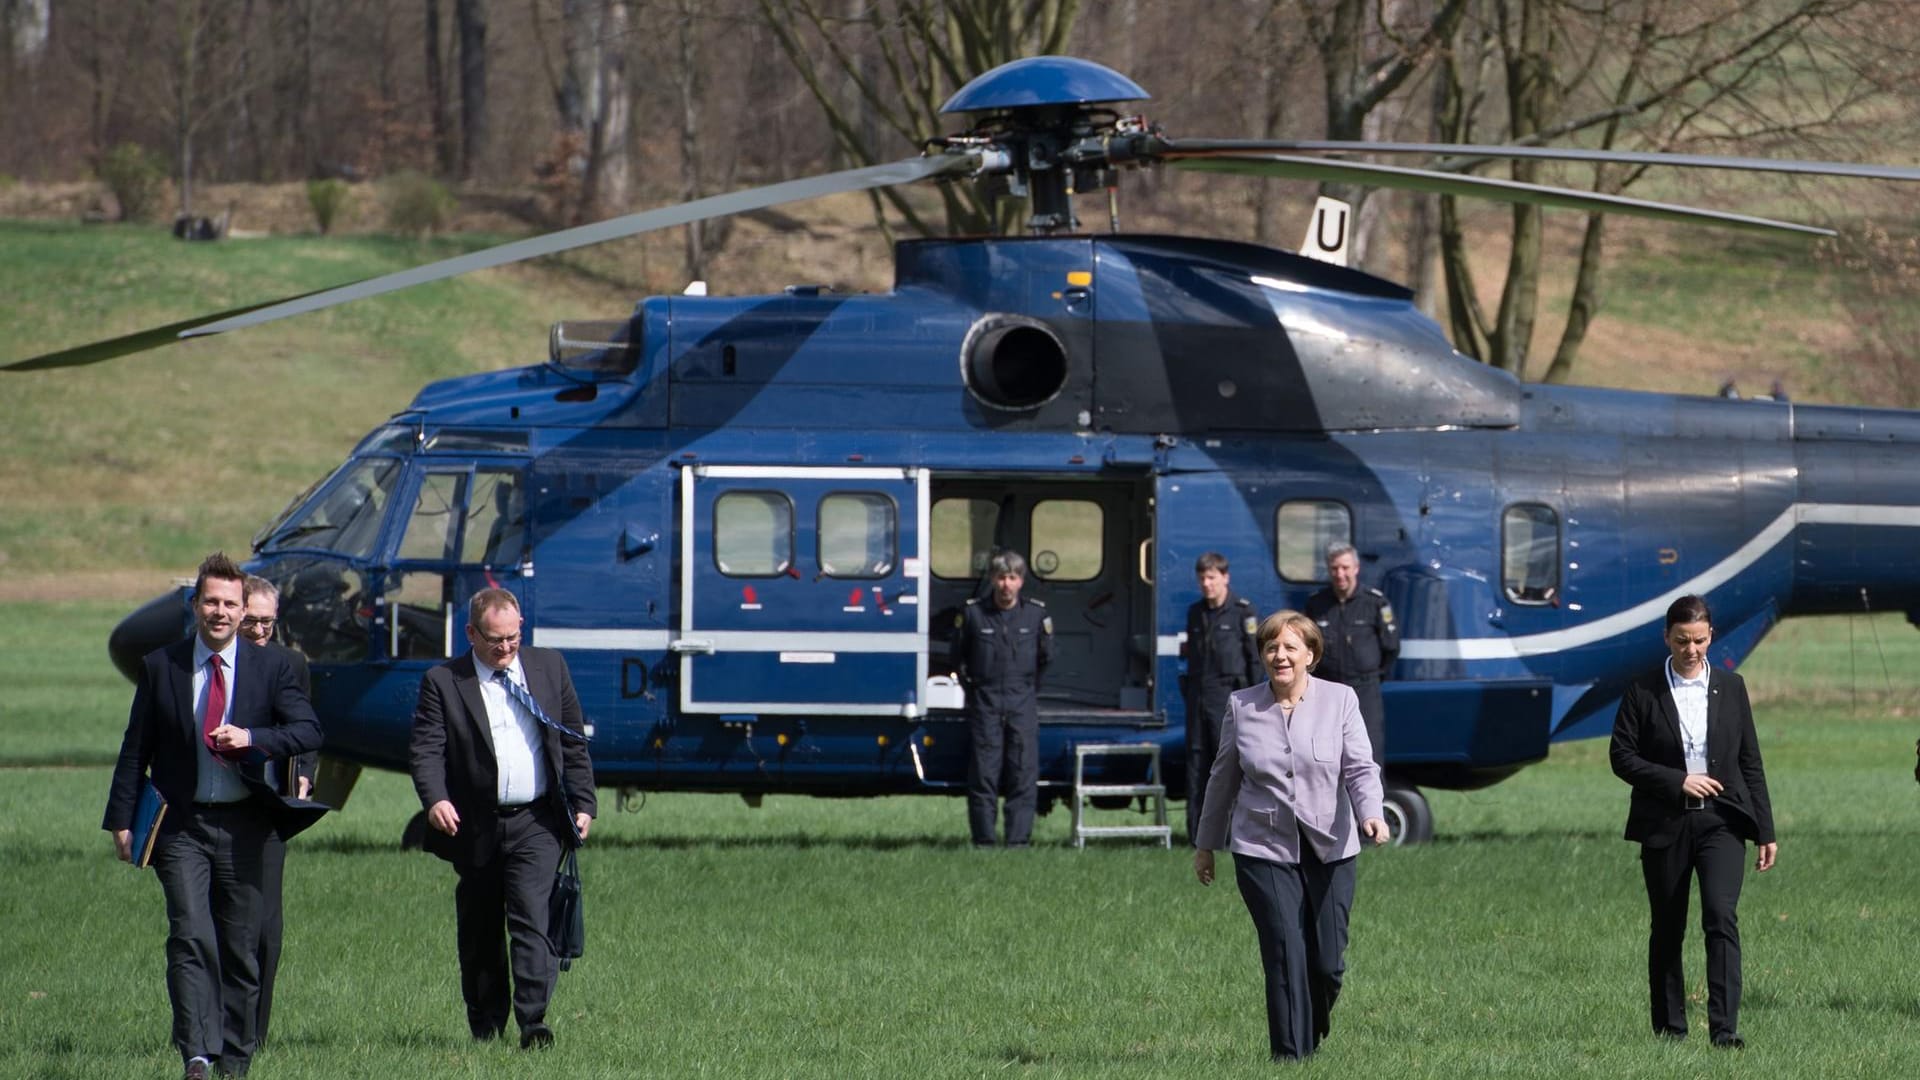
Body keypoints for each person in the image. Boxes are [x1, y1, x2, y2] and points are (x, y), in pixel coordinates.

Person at [101, 552, 325, 1080]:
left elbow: (309, 731)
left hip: (248, 824)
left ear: (244, 609)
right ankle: (196, 1053)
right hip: (182, 825)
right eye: (210, 602)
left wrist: (254, 739)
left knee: (243, 947)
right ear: (195, 605)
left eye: (229, 603)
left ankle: (235, 1060)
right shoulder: (163, 666)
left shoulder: (272, 666)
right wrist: (121, 818)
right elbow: (137, 746)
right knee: (189, 933)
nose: (219, 612)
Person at [1192, 610, 1388, 1060]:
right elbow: (1222, 778)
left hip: (1332, 847)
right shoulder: (1242, 706)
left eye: (1290, 648)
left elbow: (1359, 767)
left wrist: (1371, 813)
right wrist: (1206, 845)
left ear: (1310, 655)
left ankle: (1309, 1033)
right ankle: (1289, 1059)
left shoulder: (1341, 701)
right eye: (1271, 647)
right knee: (1284, 951)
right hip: (1262, 848)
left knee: (1327, 964)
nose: (1280, 656)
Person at [409, 587, 596, 1050]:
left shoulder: (549, 667)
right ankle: (487, 1024)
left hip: (537, 820)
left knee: (532, 919)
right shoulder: (443, 681)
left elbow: (572, 741)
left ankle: (534, 1023)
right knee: (481, 928)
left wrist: (584, 802)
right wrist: (435, 799)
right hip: (474, 823)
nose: (506, 648)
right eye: (495, 640)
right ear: (471, 633)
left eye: (513, 638)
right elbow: (426, 748)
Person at [1609, 594, 1777, 1049]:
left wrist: (1765, 828)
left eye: (1700, 640)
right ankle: (1670, 1030)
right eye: (1682, 641)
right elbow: (1621, 757)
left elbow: (1751, 761)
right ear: (1667, 637)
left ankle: (1725, 1031)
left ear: (1711, 636)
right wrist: (1677, 780)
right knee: (1667, 925)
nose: (1692, 649)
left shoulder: (1732, 687)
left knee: (1721, 918)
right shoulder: (1642, 691)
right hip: (1665, 822)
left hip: (1723, 821)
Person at [238, 575, 315, 1052]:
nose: (262, 630)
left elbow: (306, 728)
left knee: (267, 927)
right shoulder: (206, 666)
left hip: (268, 810)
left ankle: (255, 1035)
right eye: (252, 621)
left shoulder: (290, 664)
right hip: (212, 806)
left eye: (269, 621)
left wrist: (303, 773)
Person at [952, 550, 1054, 847]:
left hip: (1022, 703)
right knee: (984, 775)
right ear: (992, 580)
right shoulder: (973, 614)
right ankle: (984, 842)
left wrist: (1027, 691)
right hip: (985, 703)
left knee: (1023, 774)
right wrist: (975, 693)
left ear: (1021, 581)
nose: (1006, 584)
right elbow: (958, 659)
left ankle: (1018, 842)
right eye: (1001, 577)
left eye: (1012, 578)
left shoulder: (1036, 615)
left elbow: (1046, 659)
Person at [1180, 552, 1261, 845]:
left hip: (1229, 699)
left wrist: (1256, 705)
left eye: (1212, 577)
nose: (1206, 583)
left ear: (1225, 578)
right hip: (1199, 698)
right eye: (1202, 578)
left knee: (1227, 767)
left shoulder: (1243, 612)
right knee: (1196, 764)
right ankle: (1198, 834)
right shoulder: (1195, 613)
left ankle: (1233, 834)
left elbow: (1254, 662)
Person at [1304, 542, 1398, 767]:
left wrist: (1371, 675)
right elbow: (1307, 647)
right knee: (1326, 759)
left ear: (1356, 568)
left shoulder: (1375, 603)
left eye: (1345, 567)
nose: (1340, 574)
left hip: (1364, 691)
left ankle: (1372, 804)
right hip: (1327, 693)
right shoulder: (1316, 604)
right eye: (1334, 568)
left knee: (1367, 758)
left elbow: (1391, 647)